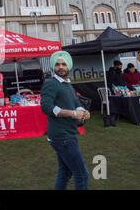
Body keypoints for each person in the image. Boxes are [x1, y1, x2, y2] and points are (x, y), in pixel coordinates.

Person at [41, 51, 91, 190]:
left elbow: (76, 103)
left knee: (65, 172)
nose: (60, 67)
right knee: (82, 175)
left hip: (67, 134)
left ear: (68, 66)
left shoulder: (67, 84)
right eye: (57, 64)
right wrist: (72, 113)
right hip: (62, 137)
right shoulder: (51, 84)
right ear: (53, 67)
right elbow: (46, 107)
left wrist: (83, 112)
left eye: (63, 64)